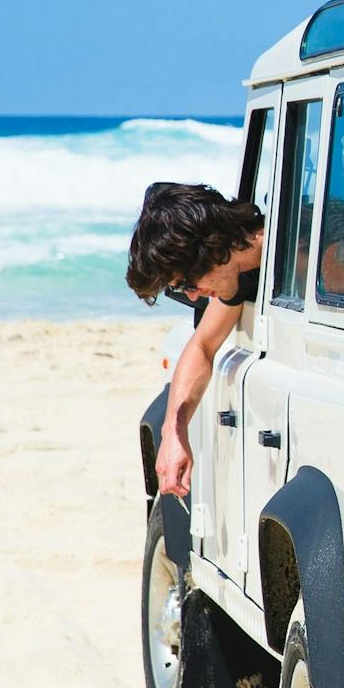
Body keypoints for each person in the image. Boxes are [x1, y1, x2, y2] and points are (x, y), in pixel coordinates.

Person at [125, 182, 265, 498]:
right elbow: (202, 347)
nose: (191, 294)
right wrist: (174, 432)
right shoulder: (240, 272)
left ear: (211, 247)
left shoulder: (307, 252)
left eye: (188, 282)